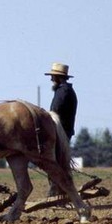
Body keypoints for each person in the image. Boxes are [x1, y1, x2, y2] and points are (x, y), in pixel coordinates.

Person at [44, 62, 77, 197]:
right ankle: (58, 190)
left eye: (53, 77)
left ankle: (56, 191)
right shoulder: (65, 90)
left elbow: (55, 111)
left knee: (55, 162)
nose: (51, 79)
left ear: (58, 78)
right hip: (62, 131)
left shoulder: (63, 92)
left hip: (61, 132)